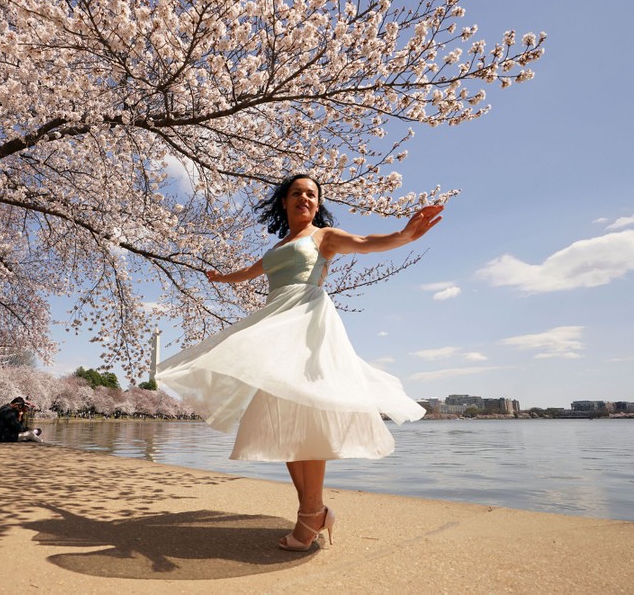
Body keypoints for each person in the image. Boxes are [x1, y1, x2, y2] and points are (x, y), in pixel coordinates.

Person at [156, 174, 443, 552]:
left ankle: (310, 516)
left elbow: (366, 243)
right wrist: (222, 277)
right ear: (284, 202)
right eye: (296, 193)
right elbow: (252, 272)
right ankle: (315, 512)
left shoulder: (323, 236)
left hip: (308, 327)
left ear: (317, 203)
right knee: (285, 422)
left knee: (307, 416)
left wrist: (403, 237)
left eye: (311, 194)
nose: (304, 198)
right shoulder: (278, 247)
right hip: (278, 327)